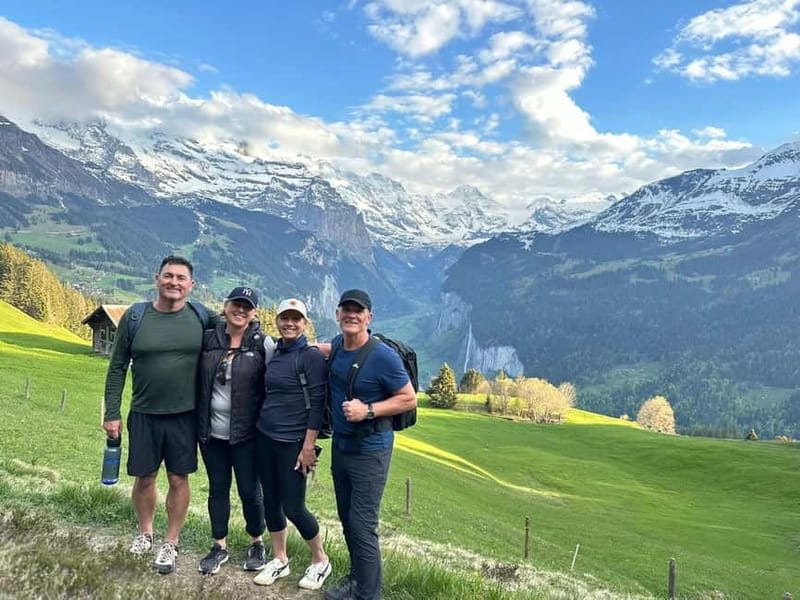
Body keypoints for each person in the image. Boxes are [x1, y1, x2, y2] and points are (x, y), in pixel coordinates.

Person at [102, 256, 217, 574]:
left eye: (181, 278)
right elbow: (116, 367)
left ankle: (171, 541)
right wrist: (112, 412)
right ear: (157, 279)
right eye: (168, 276)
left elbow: (238, 326)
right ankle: (145, 534)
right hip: (143, 412)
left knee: (179, 478)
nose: (174, 282)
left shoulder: (201, 315)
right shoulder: (136, 316)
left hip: (185, 414)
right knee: (145, 477)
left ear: (191, 286)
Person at [324, 289, 417, 600]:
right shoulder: (338, 345)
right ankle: (357, 581)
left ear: (369, 317)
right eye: (346, 309)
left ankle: (368, 594)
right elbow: (325, 350)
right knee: (347, 518)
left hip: (371, 451)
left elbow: (408, 398)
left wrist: (369, 410)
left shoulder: (383, 357)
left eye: (358, 310)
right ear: (337, 314)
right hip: (342, 446)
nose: (351, 315)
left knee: (362, 524)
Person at [253, 298, 332, 590]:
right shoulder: (274, 351)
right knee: (271, 502)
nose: (289, 323)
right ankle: (280, 559)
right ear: (277, 320)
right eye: (285, 318)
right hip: (266, 437)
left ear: (305, 324)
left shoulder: (309, 356)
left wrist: (308, 446)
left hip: (294, 443)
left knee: (294, 506)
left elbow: (317, 405)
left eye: (296, 319)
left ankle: (320, 560)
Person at [196, 286, 269, 575]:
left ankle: (257, 542)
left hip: (247, 435)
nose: (241, 310)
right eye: (236, 304)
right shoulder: (208, 339)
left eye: (247, 307)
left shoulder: (262, 343)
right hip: (211, 433)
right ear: (225, 307)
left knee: (251, 492)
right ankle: (219, 546)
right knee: (218, 489)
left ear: (254, 313)